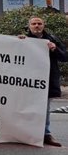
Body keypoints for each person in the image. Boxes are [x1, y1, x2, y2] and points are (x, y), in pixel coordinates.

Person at [20, 16, 67, 147]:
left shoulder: (52, 39)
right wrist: (18, 43)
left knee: (44, 108)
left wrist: (54, 49)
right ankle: (24, 132)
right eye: (34, 23)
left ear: (43, 25)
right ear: (29, 26)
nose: (36, 26)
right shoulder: (24, 39)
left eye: (39, 23)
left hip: (47, 80)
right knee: (25, 107)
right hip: (27, 80)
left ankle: (46, 134)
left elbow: (65, 57)